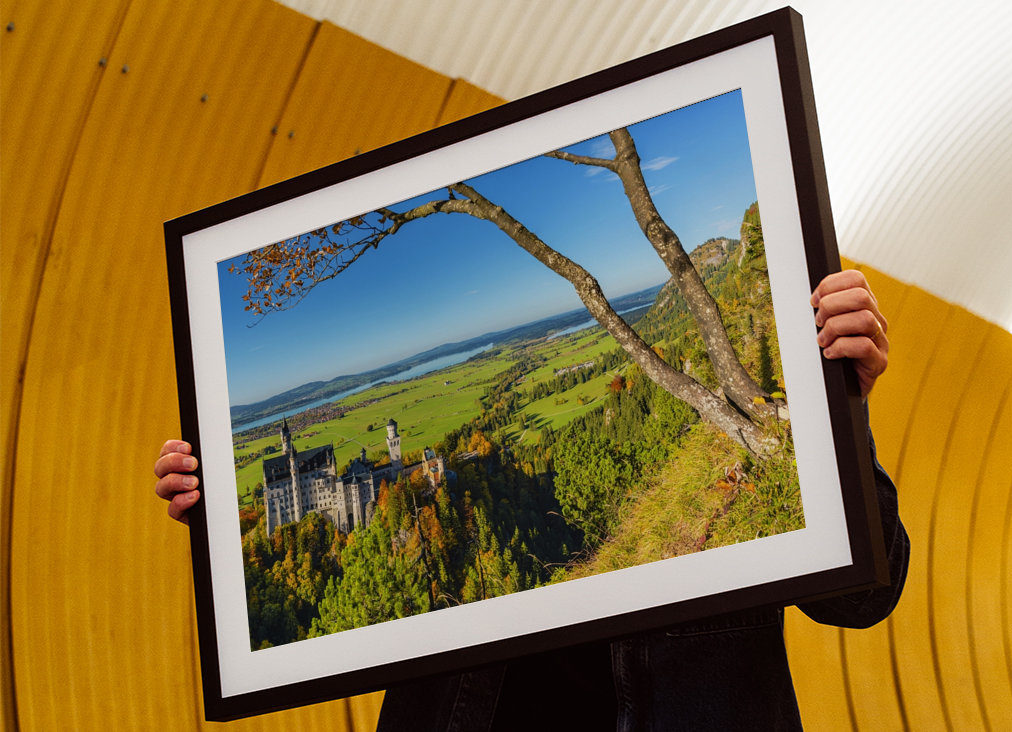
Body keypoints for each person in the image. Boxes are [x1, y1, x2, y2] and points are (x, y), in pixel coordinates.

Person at [155, 270, 908, 730]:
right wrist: (227, 534)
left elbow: (865, 596)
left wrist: (836, 407)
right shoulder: (389, 511)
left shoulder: (775, 408)